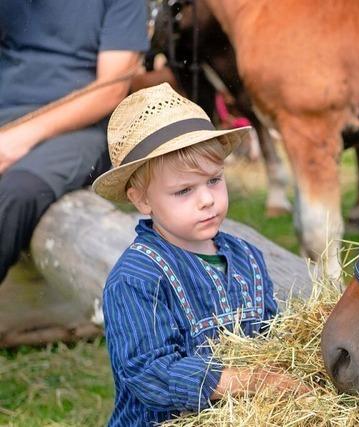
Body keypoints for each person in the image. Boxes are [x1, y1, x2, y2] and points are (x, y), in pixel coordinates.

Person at [93, 83, 305, 426]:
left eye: (214, 180)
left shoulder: (247, 258)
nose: (206, 199)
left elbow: (270, 339)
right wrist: (248, 381)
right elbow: (149, 373)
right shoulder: (136, 279)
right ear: (142, 201)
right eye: (184, 190)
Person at [0, 0, 149, 283]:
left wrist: (19, 137)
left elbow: (112, 89)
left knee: (16, 191)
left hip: (81, 127)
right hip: (7, 113)